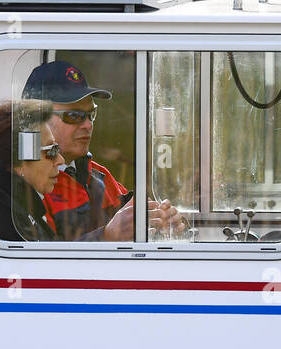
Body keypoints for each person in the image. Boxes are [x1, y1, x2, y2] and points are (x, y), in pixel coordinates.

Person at [21, 59, 185, 240]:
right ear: (36, 119)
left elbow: (133, 218)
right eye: (74, 115)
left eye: (91, 115)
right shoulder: (26, 182)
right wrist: (106, 236)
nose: (87, 125)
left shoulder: (99, 176)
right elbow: (40, 260)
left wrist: (163, 221)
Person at [0, 99, 69, 242]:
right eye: (51, 150)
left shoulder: (13, 207)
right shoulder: (2, 216)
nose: (60, 160)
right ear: (17, 160)